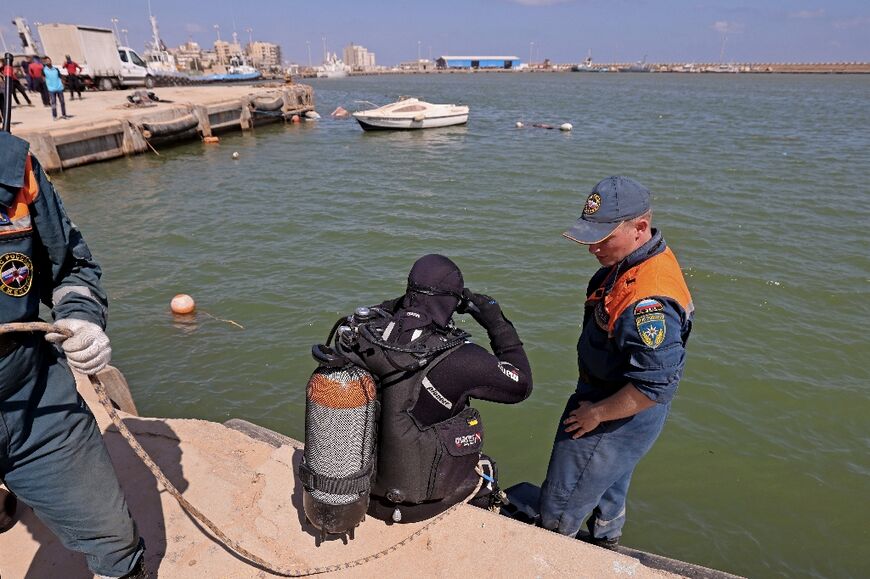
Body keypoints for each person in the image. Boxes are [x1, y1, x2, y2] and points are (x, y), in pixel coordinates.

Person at [0, 131, 146, 578]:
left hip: (36, 400)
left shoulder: (16, 167)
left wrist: (81, 319)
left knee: (113, 539)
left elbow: (71, 268)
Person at [539, 176, 694, 549]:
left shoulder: (648, 302)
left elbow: (655, 385)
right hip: (617, 399)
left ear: (640, 228)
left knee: (560, 502)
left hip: (615, 407)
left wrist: (596, 413)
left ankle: (555, 546)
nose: (592, 247)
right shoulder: (638, 258)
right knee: (610, 481)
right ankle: (607, 539)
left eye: (602, 237)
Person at [333, 254, 533, 523]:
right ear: (452, 301)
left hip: (359, 492)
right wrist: (496, 322)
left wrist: (408, 303)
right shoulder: (463, 358)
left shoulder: (361, 333)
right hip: (420, 506)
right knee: (486, 468)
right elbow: (521, 385)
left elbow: (390, 311)